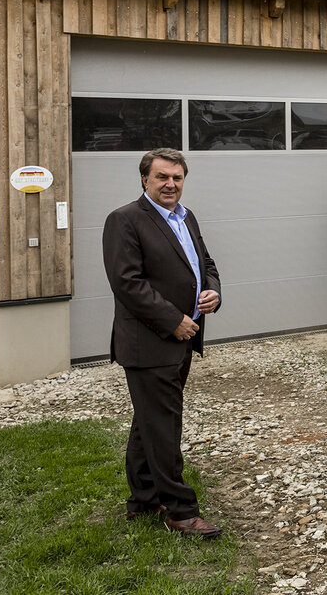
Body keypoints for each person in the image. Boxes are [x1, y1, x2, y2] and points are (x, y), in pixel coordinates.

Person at [102, 148, 222, 538]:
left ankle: (143, 499)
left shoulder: (187, 218)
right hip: (150, 343)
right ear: (145, 180)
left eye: (177, 177)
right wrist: (174, 321)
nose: (171, 184)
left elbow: (205, 265)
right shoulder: (125, 220)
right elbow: (127, 283)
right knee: (164, 426)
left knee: (149, 422)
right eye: (162, 177)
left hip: (181, 340)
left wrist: (213, 292)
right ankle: (181, 511)